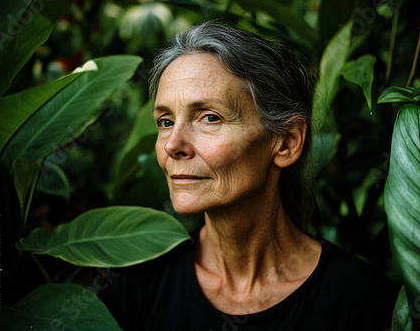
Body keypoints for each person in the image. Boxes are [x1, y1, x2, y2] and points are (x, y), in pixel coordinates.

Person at [99, 21, 399, 330]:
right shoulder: (131, 289)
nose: (173, 144)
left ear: (286, 142)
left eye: (210, 117)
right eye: (165, 121)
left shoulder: (364, 305)